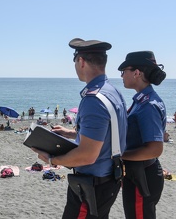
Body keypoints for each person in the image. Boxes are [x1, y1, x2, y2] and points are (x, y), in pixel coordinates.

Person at [32, 38, 127, 218]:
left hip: (91, 187)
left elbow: (87, 156)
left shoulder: (94, 99)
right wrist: (71, 133)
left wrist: (52, 160)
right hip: (109, 181)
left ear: (81, 61)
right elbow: (110, 132)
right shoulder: (113, 92)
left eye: (74, 60)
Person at [118, 51, 167, 219]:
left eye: (124, 71)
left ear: (137, 73)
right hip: (140, 173)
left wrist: (118, 155)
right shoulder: (142, 99)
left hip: (142, 176)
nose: (122, 75)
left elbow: (154, 149)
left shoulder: (147, 105)